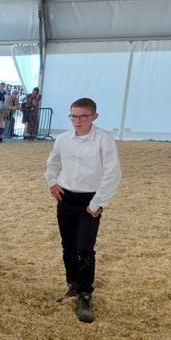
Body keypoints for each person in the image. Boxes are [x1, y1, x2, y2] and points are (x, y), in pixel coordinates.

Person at [45, 98, 121, 324]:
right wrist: (52, 182)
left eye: (83, 116)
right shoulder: (63, 139)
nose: (77, 121)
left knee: (85, 249)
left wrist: (97, 203)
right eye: (74, 116)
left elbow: (113, 173)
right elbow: (52, 162)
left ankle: (85, 295)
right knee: (68, 246)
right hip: (66, 197)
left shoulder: (104, 140)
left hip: (90, 200)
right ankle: (73, 285)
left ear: (94, 117)